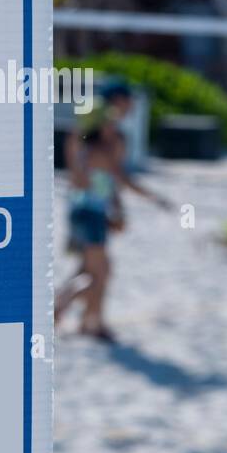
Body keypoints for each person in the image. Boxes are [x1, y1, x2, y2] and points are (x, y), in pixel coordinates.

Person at [55, 82, 170, 342]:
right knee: (99, 273)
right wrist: (152, 200)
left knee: (91, 269)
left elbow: (85, 176)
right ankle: (63, 307)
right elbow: (120, 180)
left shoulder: (81, 143)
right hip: (91, 212)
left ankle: (89, 321)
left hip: (79, 208)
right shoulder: (106, 147)